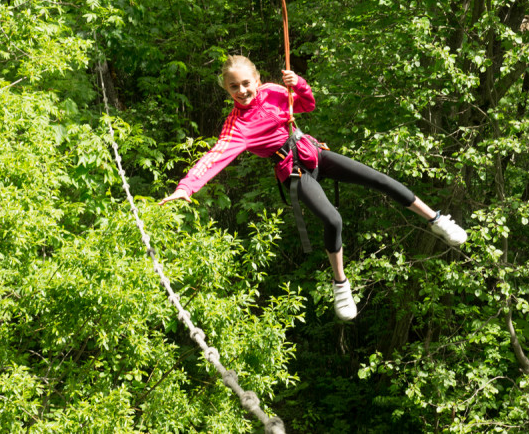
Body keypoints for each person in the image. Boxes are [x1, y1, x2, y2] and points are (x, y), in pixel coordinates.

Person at [159, 55, 466, 321]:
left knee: (378, 179)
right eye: (233, 87)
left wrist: (298, 84)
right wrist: (186, 188)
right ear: (226, 90)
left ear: (257, 79)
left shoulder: (274, 91)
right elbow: (215, 156)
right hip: (293, 172)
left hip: (312, 151)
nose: (242, 91)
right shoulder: (237, 126)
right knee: (333, 220)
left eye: (245, 83)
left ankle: (437, 221)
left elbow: (307, 105)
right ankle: (341, 284)